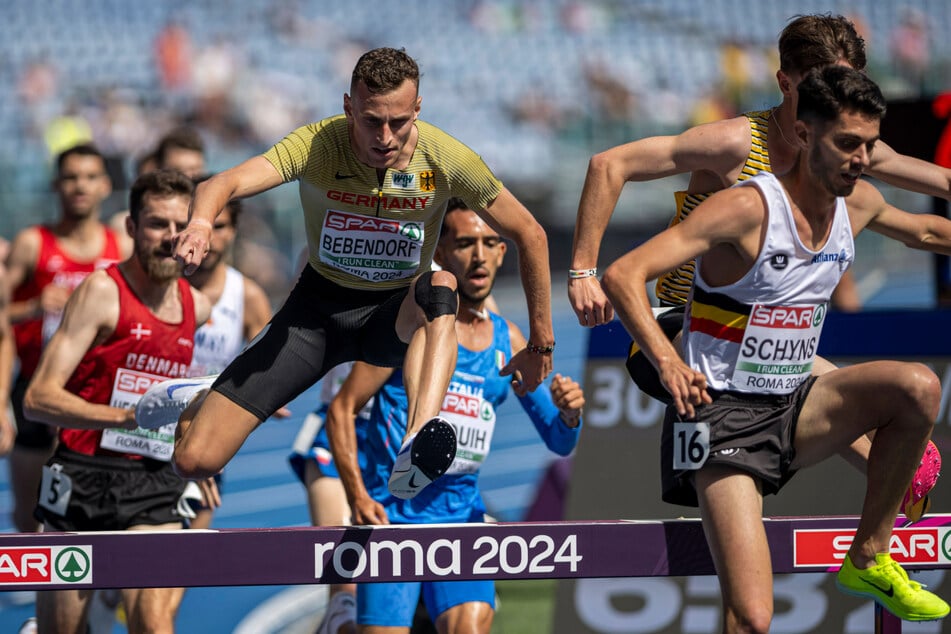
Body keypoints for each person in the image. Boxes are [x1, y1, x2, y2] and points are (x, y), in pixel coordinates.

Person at [600, 65, 951, 629]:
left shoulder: (857, 203)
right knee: (752, 616)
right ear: (806, 134)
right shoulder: (746, 209)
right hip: (719, 415)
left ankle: (868, 555)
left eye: (867, 145)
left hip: (794, 403)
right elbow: (623, 273)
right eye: (846, 144)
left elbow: (930, 233)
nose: (860, 159)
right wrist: (668, 361)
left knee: (918, 388)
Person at [567, 13, 948, 519]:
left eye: (847, 86)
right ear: (785, 84)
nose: (837, 102)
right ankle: (882, 468)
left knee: (837, 387)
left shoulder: (843, 148)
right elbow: (608, 165)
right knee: (807, 377)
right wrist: (582, 270)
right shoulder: (736, 143)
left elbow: (931, 208)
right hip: (682, 322)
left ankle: (890, 501)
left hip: (767, 331)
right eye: (822, 88)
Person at [144, 47, 554, 501]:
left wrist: (540, 343)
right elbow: (221, 183)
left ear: (418, 109)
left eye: (398, 122)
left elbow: (530, 234)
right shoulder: (318, 145)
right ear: (348, 108)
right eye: (370, 120)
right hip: (316, 315)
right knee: (193, 460)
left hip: (394, 313)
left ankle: (418, 439)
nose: (384, 136)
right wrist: (200, 223)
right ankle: (209, 392)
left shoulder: (447, 158)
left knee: (442, 285)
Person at [325, 199, 584, 633]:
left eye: (490, 243)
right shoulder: (409, 328)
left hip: (459, 519)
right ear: (441, 255)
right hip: (392, 518)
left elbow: (559, 441)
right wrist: (357, 495)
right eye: (465, 243)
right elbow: (342, 408)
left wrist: (570, 414)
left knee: (472, 624)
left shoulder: (509, 340)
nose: (479, 255)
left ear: (503, 253)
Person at [22, 169, 212, 633]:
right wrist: (125, 417)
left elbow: (197, 394)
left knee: (152, 623)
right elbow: (37, 398)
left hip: (154, 483)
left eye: (178, 226)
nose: (169, 239)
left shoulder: (198, 307)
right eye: (155, 224)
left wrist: (203, 448)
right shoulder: (102, 293)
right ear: (130, 227)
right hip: (80, 477)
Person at [6, 143, 128, 532]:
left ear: (105, 186)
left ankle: (98, 588)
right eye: (71, 177)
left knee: (85, 510)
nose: (81, 186)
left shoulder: (119, 246)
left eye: (90, 177)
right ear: (57, 185)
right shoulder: (32, 243)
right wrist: (33, 307)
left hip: (94, 392)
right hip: (35, 387)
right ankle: (40, 587)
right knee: (29, 512)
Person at [180, 186, 273, 531]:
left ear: (233, 231)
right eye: (206, 226)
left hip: (203, 433)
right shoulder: (160, 289)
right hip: (146, 430)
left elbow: (272, 365)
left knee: (183, 561)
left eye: (221, 228)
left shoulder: (246, 295)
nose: (210, 239)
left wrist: (269, 396)